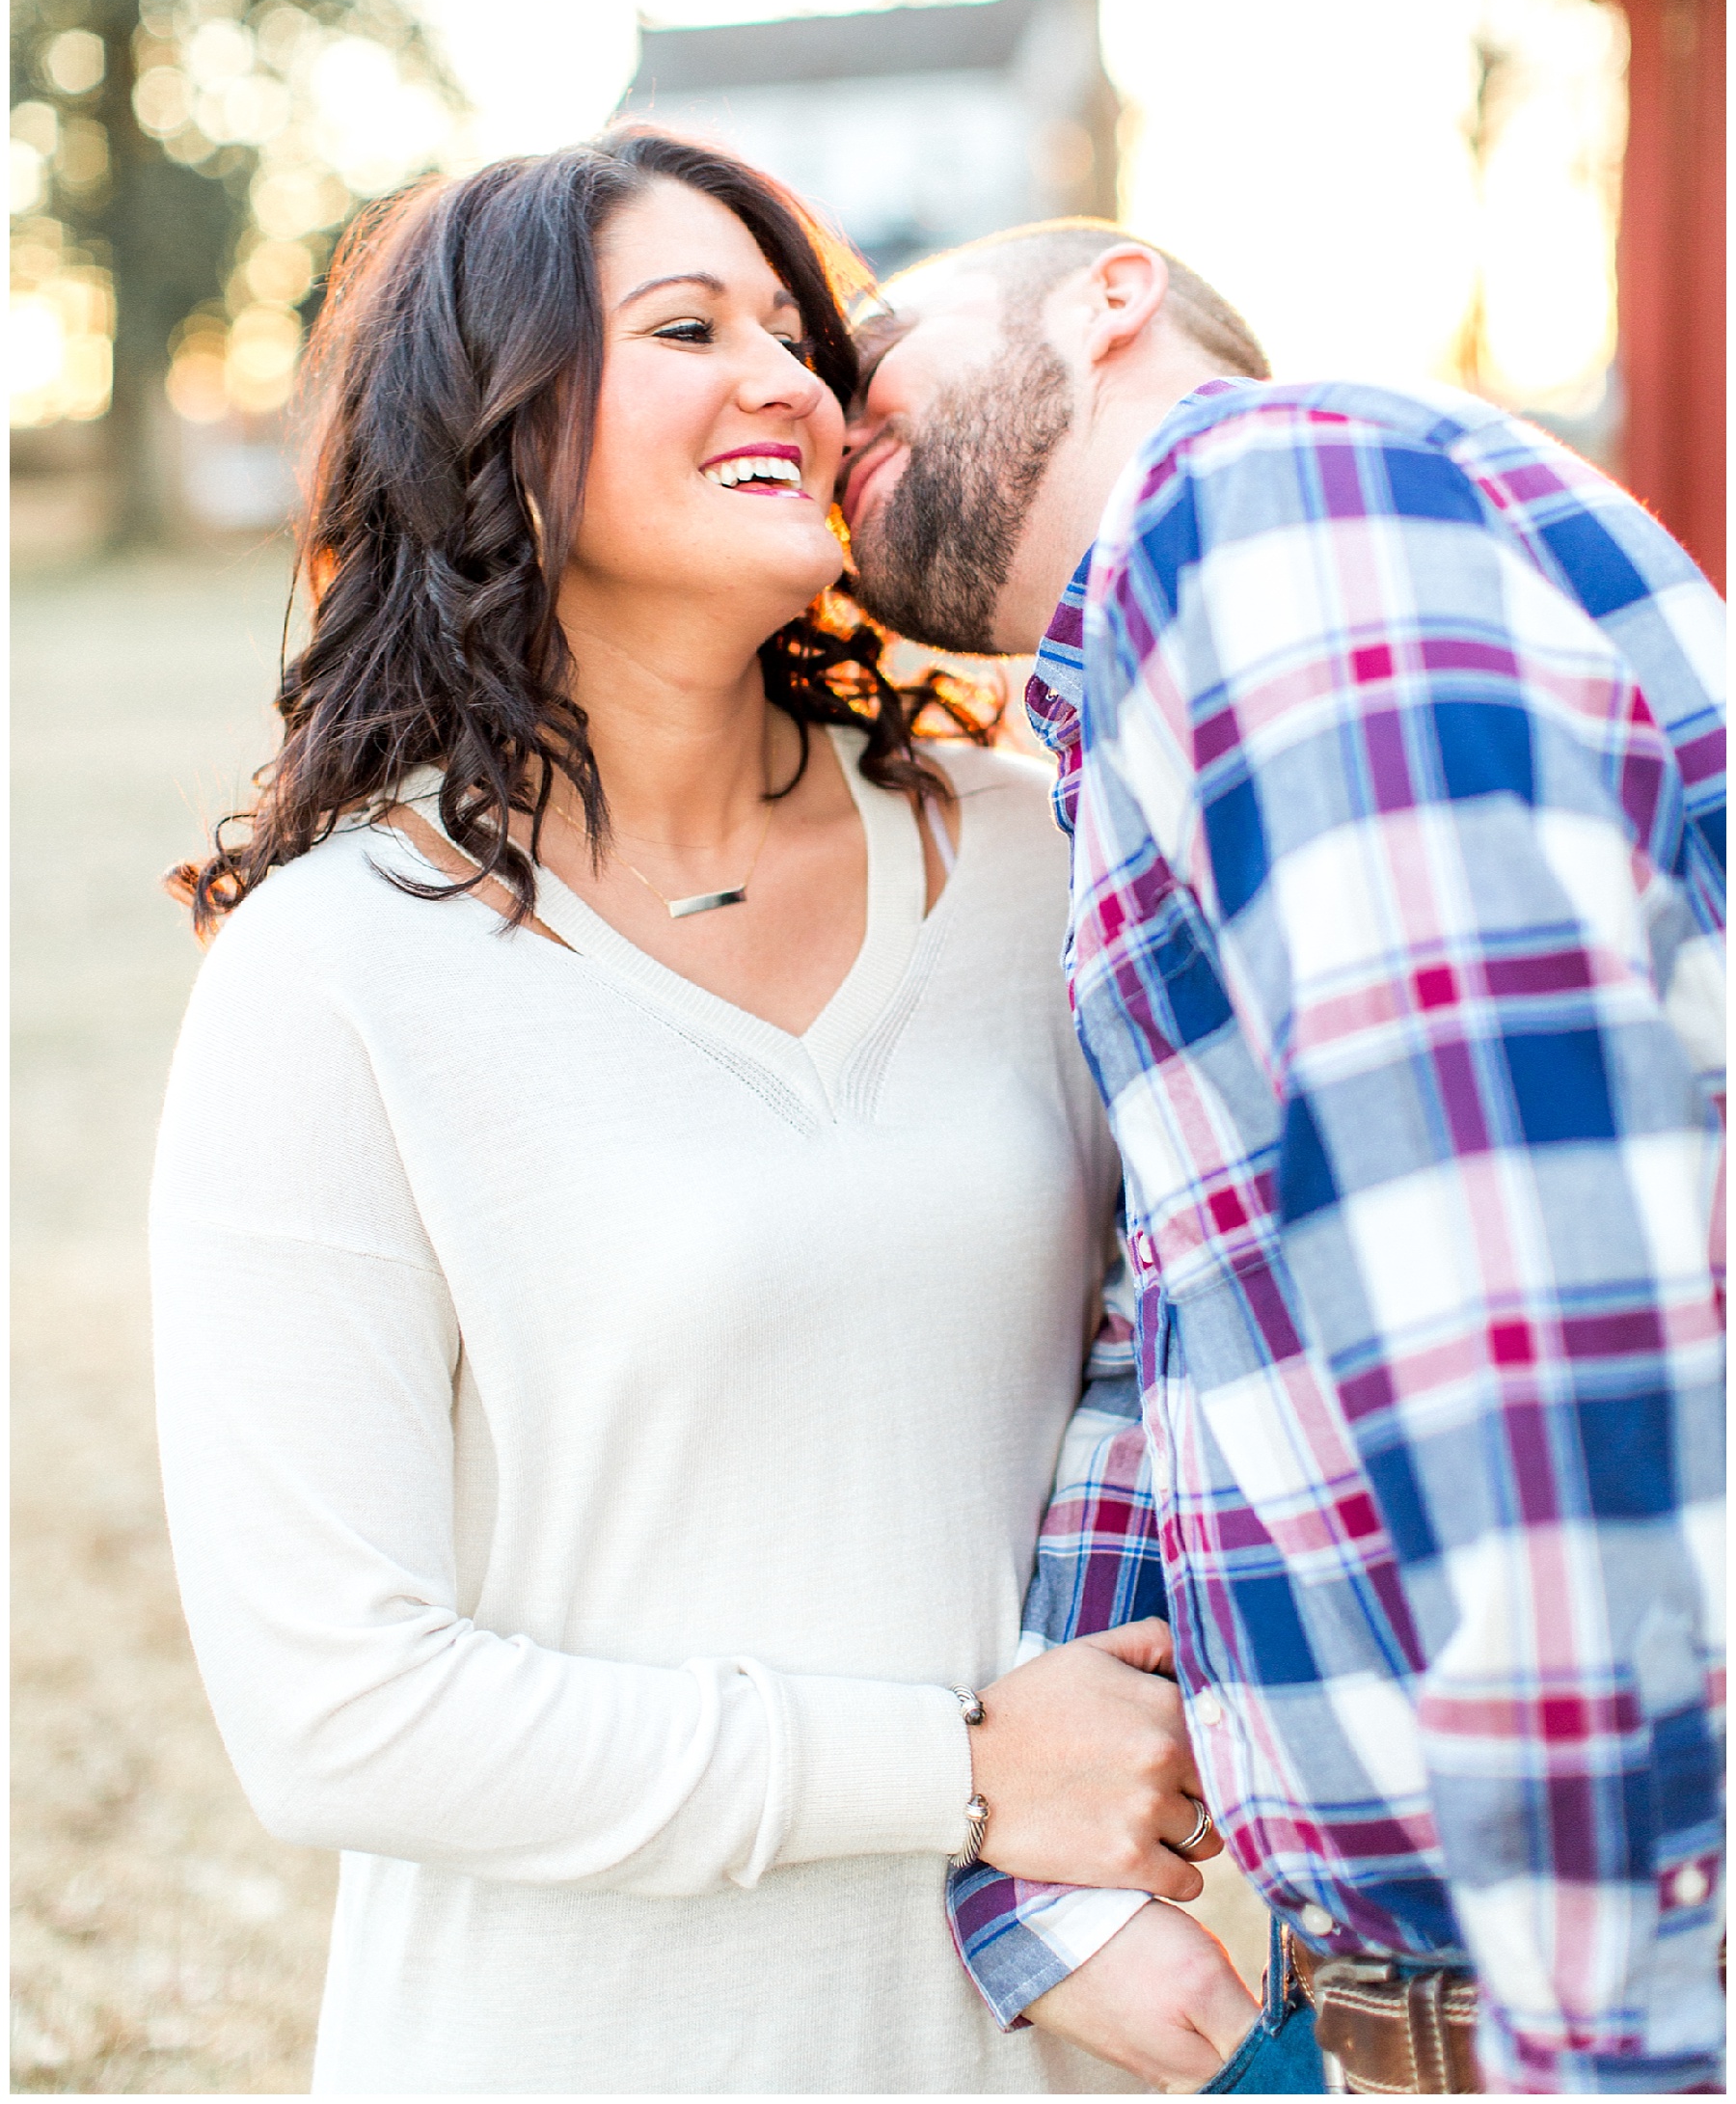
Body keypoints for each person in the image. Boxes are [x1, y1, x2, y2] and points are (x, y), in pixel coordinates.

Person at [149, 135, 1261, 2096]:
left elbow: (1224, 1358)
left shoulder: (1034, 856)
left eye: (801, 337)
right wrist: (957, 1773)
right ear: (490, 424)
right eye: (688, 326)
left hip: (1044, 2049)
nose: (794, 385)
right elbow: (337, 1709)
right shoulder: (336, 974)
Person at [841, 220, 1726, 2095]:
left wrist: (1615, 2030)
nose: (824, 397)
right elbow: (1187, 1314)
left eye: (877, 334)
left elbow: (1526, 1283)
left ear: (1111, 294)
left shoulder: (1266, 500)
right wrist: (1042, 1898)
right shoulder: (1154, 679)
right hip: (1434, 2000)